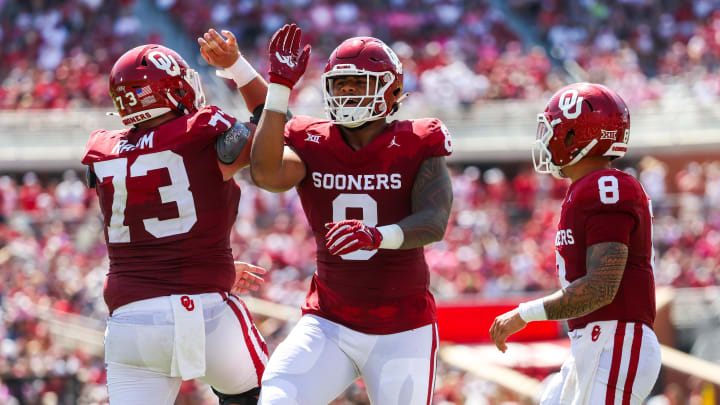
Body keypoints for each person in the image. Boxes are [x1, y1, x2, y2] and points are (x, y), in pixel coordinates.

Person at [201, 24, 453, 404]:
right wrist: (278, 83)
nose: (348, 91)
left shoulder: (417, 139)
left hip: (403, 328)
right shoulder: (313, 139)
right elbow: (267, 173)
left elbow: (434, 221)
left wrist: (378, 236)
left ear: (394, 91)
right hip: (329, 322)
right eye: (341, 83)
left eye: (360, 83)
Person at [81, 43, 270, 405]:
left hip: (130, 322)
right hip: (204, 312)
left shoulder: (101, 150)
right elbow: (276, 127)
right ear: (175, 88)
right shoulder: (203, 129)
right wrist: (239, 69)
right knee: (268, 396)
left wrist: (217, 268)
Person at [489, 83, 661, 404]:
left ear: (574, 136)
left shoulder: (606, 186)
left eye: (553, 130)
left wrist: (524, 314)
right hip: (595, 343)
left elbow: (600, 288)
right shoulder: (585, 189)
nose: (545, 139)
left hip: (617, 341)